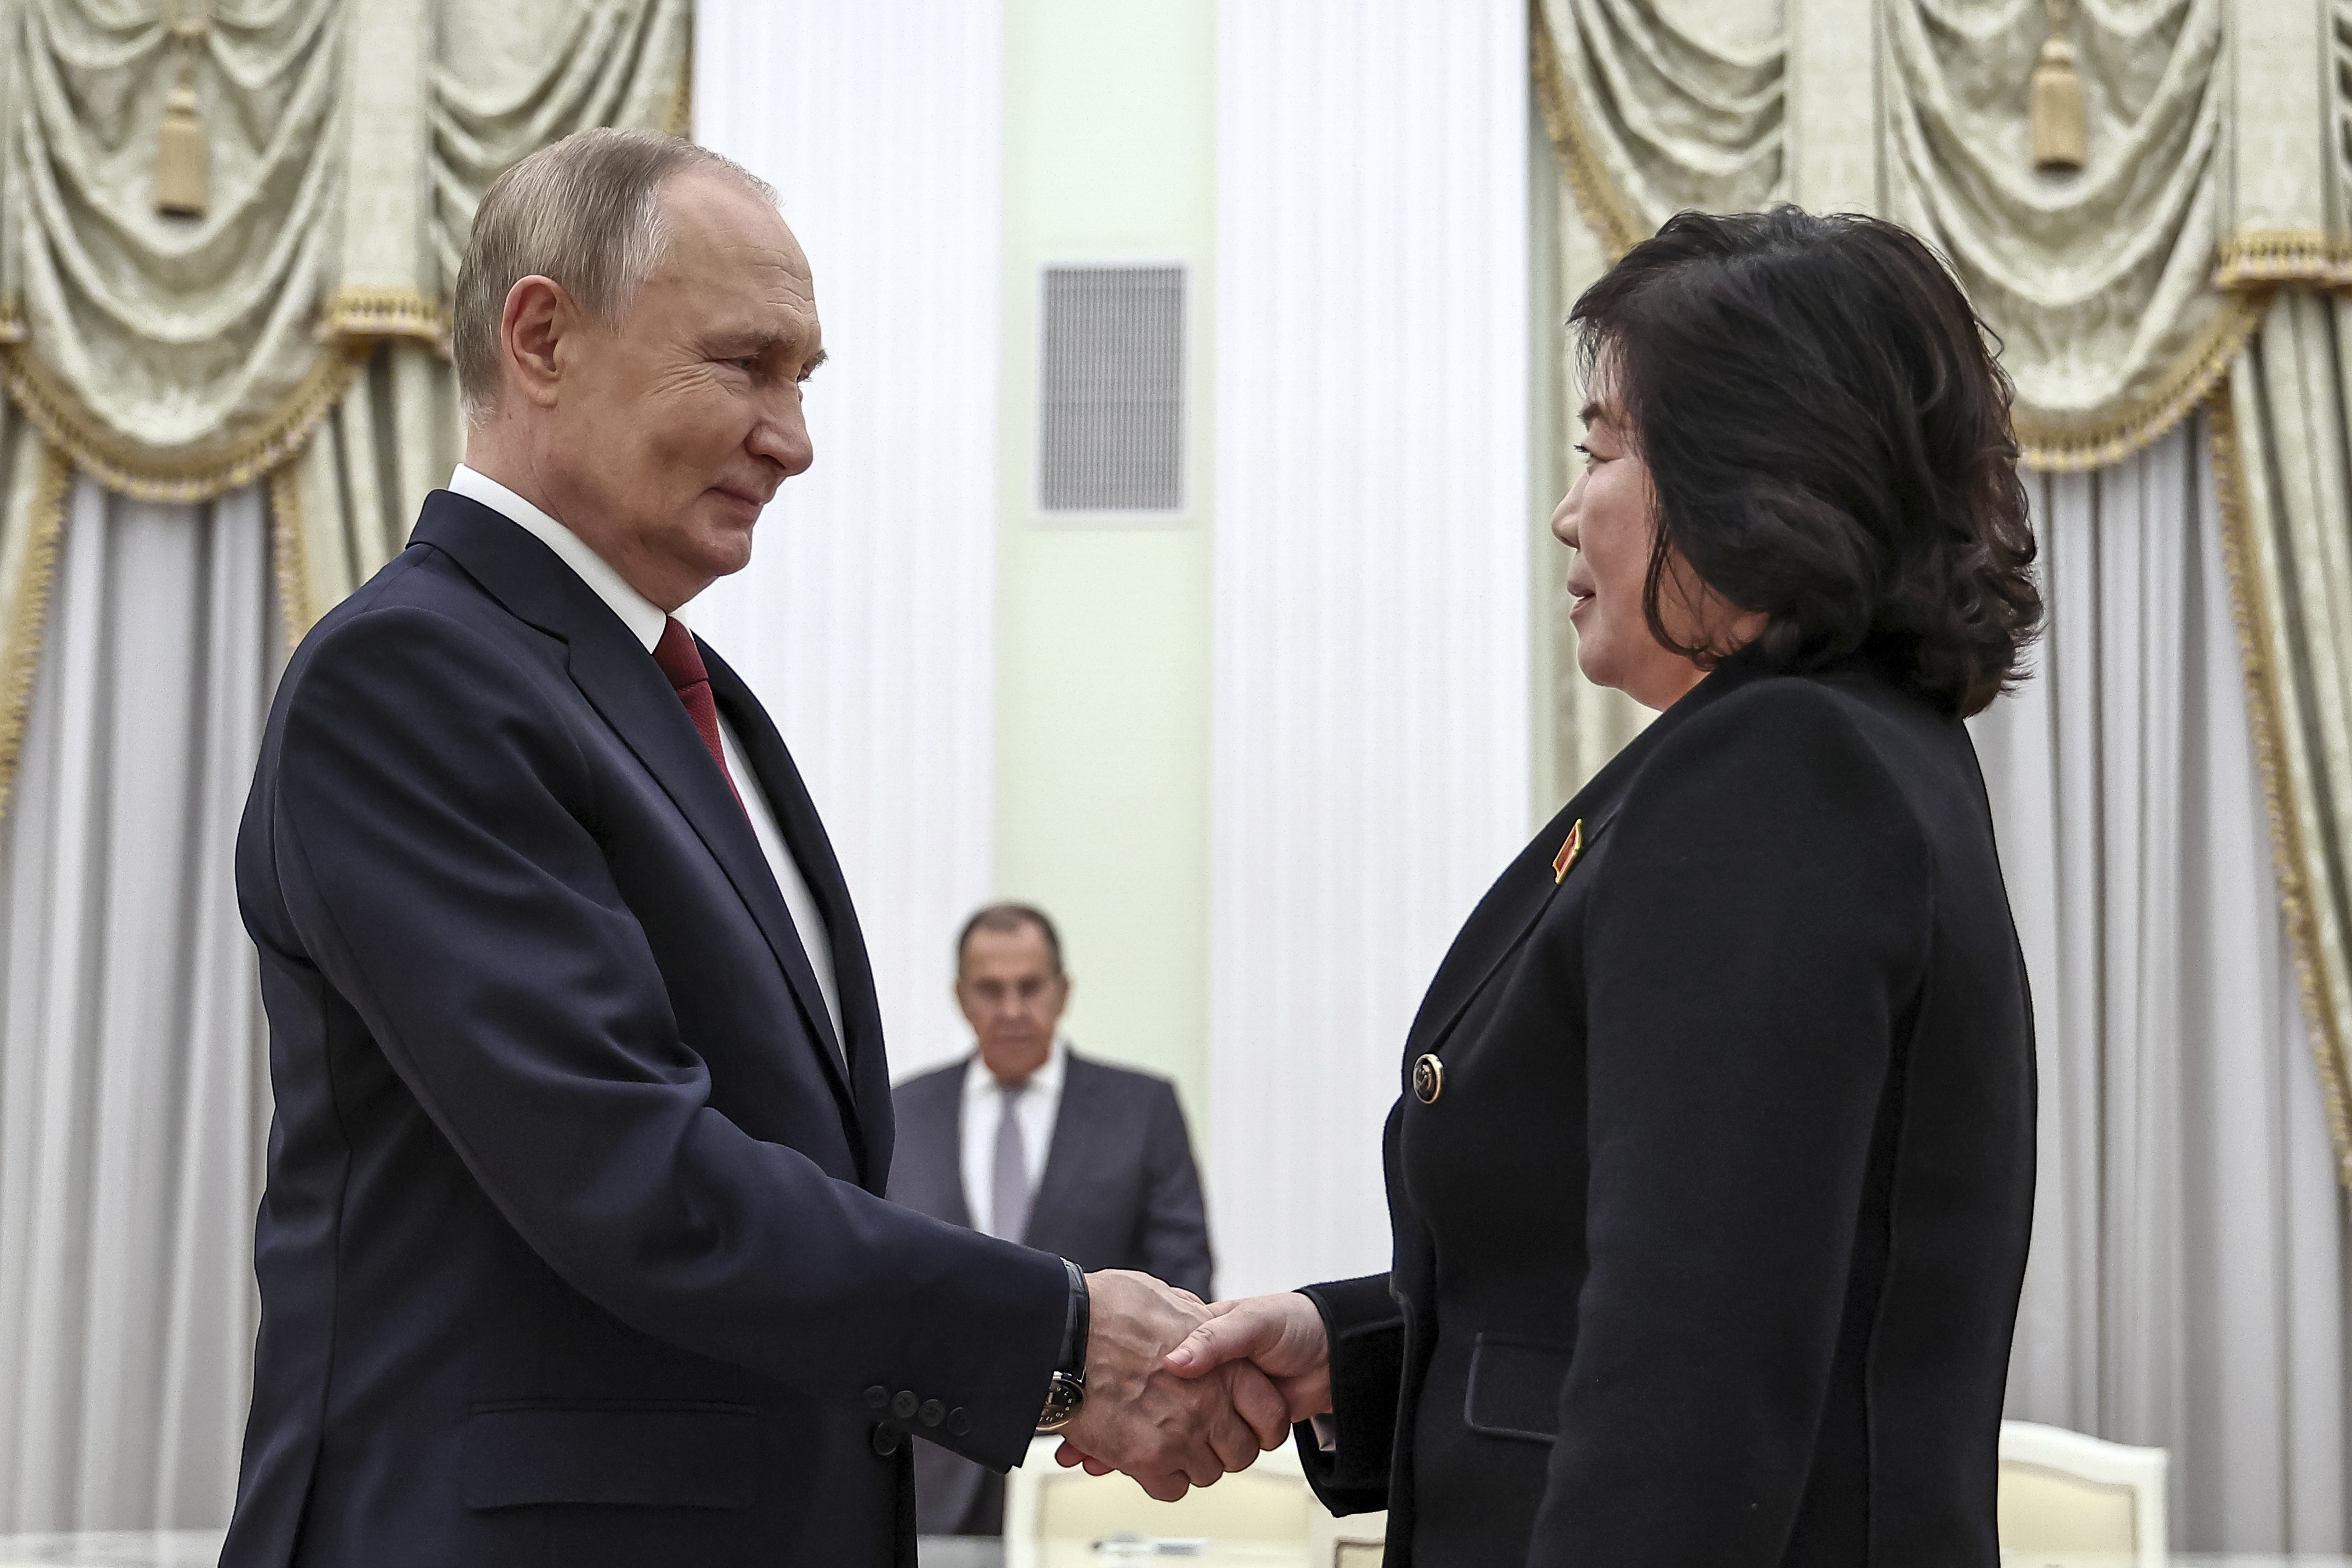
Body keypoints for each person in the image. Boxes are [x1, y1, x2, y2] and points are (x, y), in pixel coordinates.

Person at [219, 128, 1281, 1568]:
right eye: (747, 363)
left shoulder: (698, 705)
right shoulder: (409, 678)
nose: (795, 436)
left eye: (804, 378)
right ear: (543, 337)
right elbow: (632, 1175)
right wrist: (1059, 1340)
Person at [1152, 207, 2045, 1566]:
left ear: (1751, 469)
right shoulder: (1849, 752)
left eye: (1603, 449)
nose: (1569, 507)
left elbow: (1694, 1380)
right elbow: (1684, 1280)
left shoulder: (1775, 773)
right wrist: (1360, 1347)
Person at [891, 903, 1214, 1534]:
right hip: (929, 1475)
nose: (1012, 1008)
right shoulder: (902, 1115)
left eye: (1030, 986)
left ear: (1062, 991)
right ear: (961, 997)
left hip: (1087, 1475)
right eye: (990, 988)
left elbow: (1185, 1293)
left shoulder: (1142, 1111)